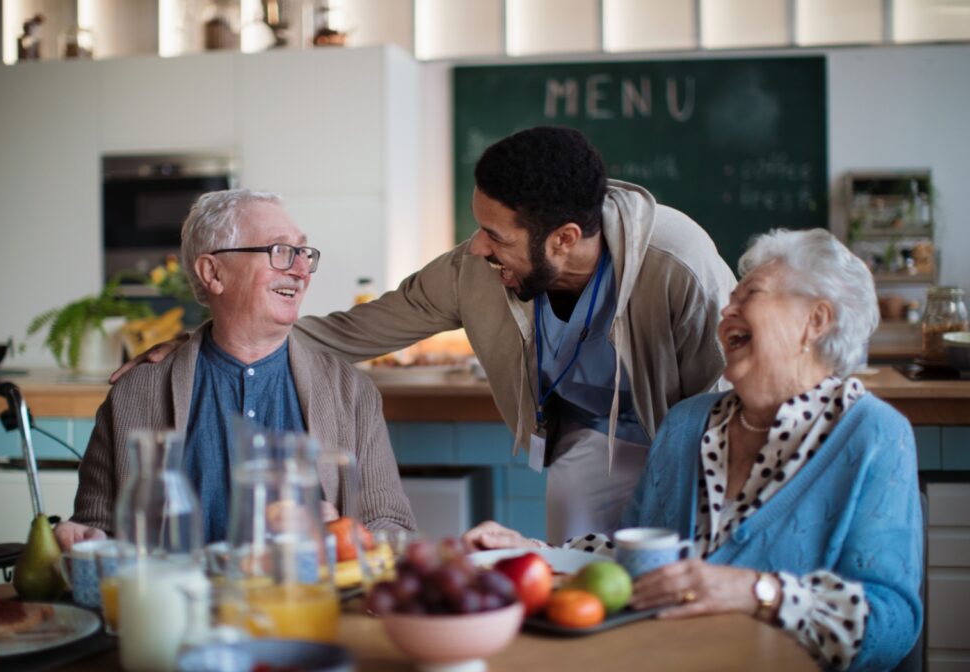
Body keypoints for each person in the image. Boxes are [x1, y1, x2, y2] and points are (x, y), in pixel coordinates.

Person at [112, 127, 737, 545]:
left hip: (685, 439)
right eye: (480, 228)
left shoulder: (679, 265)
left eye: (498, 236)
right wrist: (210, 339)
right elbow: (361, 328)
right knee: (575, 583)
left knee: (673, 578)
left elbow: (732, 393)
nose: (479, 249)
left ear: (564, 239)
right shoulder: (475, 268)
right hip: (588, 445)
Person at [464, 229, 922, 671]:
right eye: (731, 298)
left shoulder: (873, 434)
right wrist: (534, 556)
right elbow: (639, 563)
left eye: (750, 296)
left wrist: (758, 593)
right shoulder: (688, 422)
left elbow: (892, 625)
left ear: (815, 321)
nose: (727, 310)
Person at [55, 189, 415, 550]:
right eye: (279, 251)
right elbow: (98, 528)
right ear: (213, 272)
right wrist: (87, 539)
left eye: (303, 252)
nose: (302, 270)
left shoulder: (351, 392)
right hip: (180, 604)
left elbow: (392, 529)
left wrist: (337, 534)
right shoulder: (135, 393)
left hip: (307, 604)